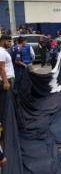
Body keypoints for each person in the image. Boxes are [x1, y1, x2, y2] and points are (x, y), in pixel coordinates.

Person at [0, 35, 15, 167]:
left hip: (8, 81)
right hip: (5, 82)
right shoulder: (0, 52)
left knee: (8, 105)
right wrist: (5, 81)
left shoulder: (4, 52)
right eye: (9, 41)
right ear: (3, 41)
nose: (10, 43)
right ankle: (5, 129)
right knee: (5, 107)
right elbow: (1, 68)